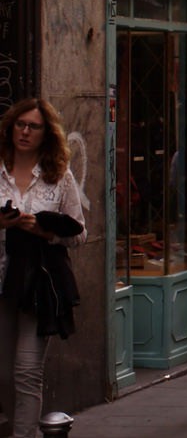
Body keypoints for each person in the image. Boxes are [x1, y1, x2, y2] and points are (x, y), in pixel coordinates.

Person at [0, 99, 86, 438]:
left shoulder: (59, 178)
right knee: (3, 375)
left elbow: (80, 233)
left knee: (26, 373)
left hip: (37, 286)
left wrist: (47, 233)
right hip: (2, 283)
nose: (24, 131)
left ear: (45, 134)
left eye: (33, 126)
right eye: (20, 124)